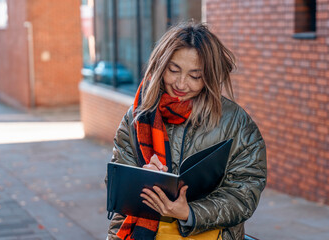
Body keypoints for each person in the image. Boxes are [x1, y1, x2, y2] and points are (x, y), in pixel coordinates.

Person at [107, 21, 267, 240]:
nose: (181, 84)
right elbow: (117, 186)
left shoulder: (236, 122)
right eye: (174, 70)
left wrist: (190, 213)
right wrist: (143, 178)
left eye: (195, 76)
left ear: (209, 76)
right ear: (161, 66)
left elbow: (245, 192)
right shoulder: (137, 115)